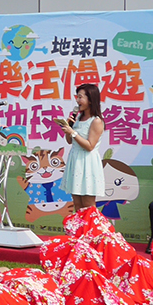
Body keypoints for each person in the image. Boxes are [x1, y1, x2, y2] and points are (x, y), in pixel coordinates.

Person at [57, 83, 105, 211]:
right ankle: (80, 230)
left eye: (80, 97)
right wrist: (69, 128)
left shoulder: (96, 121)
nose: (78, 101)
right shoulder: (78, 118)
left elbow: (90, 146)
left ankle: (93, 231)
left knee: (88, 206)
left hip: (87, 163)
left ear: (90, 100)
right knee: (77, 205)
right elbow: (69, 141)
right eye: (77, 97)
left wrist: (73, 133)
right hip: (76, 161)